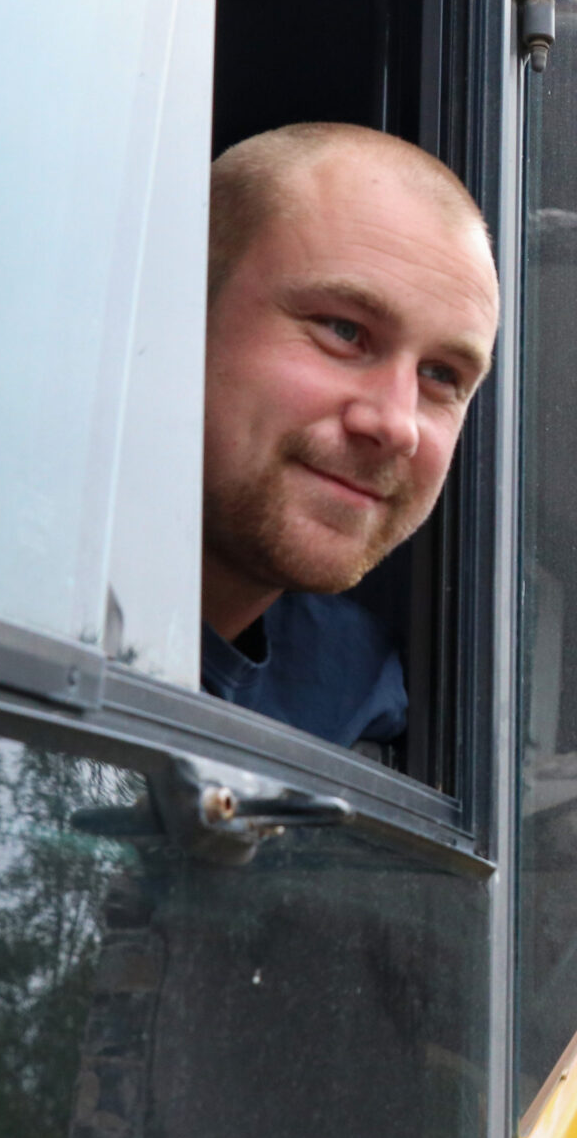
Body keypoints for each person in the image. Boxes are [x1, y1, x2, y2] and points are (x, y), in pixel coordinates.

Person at [198, 122, 499, 746]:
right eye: (342, 330)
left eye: (442, 375)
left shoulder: (355, 701)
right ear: (179, 310)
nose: (394, 423)